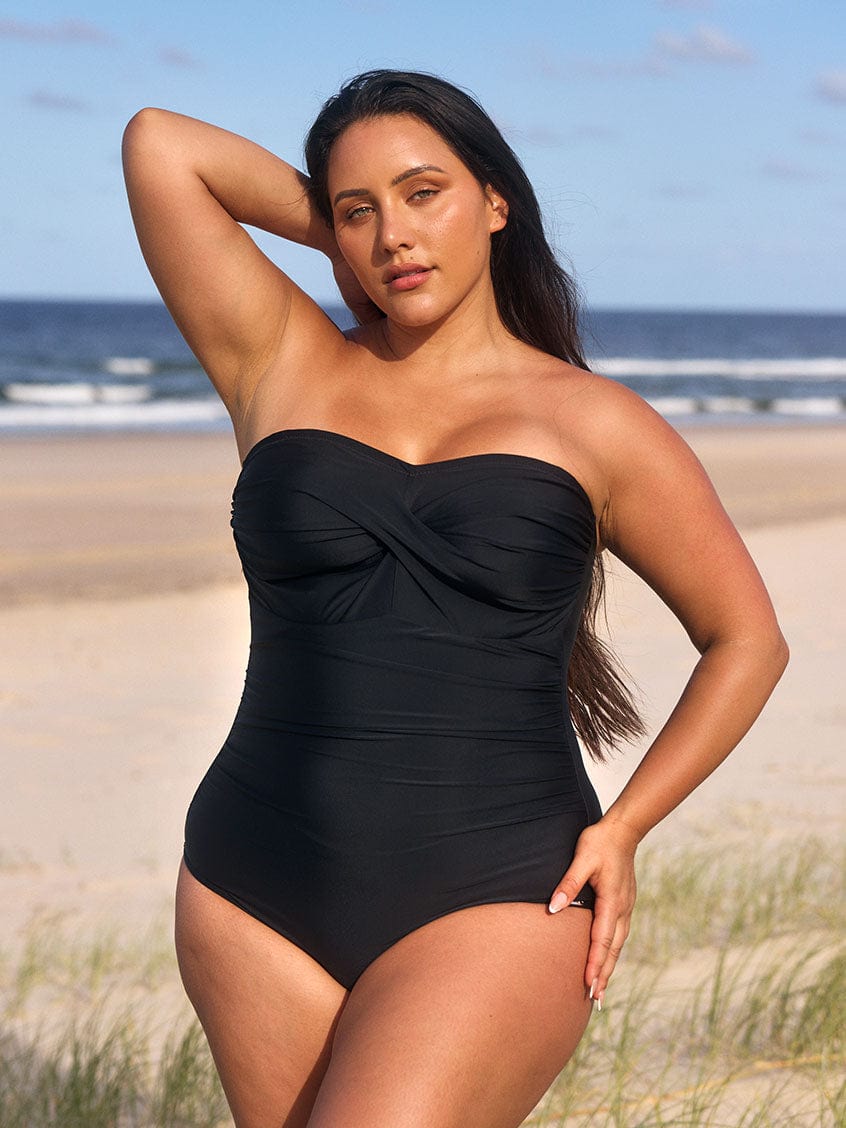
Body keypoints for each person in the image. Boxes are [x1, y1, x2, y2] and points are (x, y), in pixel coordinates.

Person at [122, 69, 788, 1128]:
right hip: (251, 882)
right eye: (359, 211)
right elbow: (161, 146)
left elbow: (746, 638)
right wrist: (352, 226)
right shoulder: (281, 360)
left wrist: (625, 829)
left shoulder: (597, 423)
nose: (393, 236)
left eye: (424, 193)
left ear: (496, 201)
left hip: (498, 885)